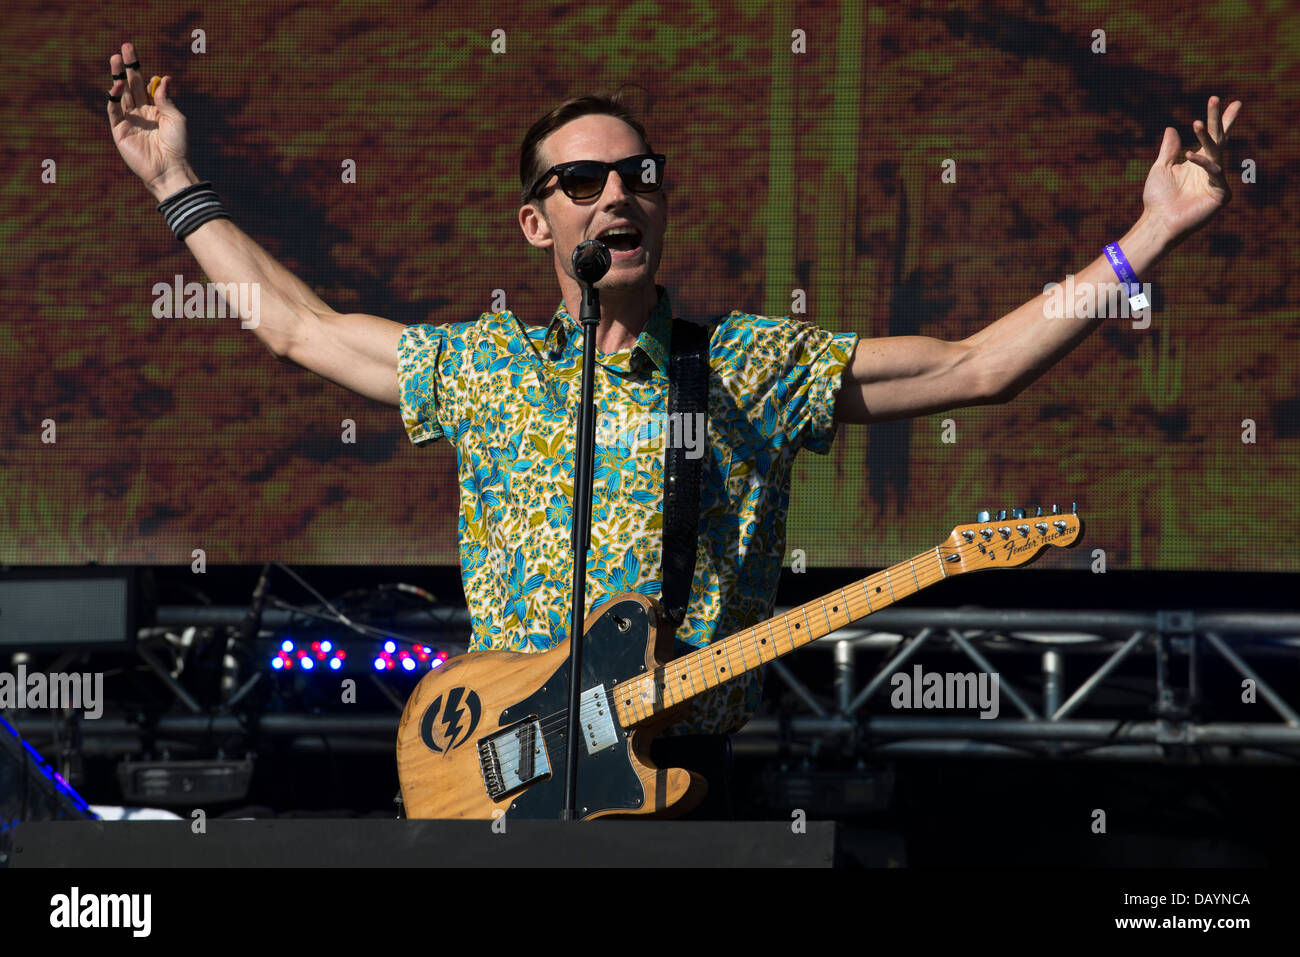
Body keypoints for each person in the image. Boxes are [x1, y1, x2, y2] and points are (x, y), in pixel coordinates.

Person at [105, 40, 1241, 819]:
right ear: (535, 219)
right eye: (583, 179)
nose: (615, 196)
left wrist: (1146, 237)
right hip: (491, 769)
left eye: (636, 176)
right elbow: (298, 331)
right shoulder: (484, 366)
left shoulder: (745, 363)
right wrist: (176, 180)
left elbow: (976, 364)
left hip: (678, 774)